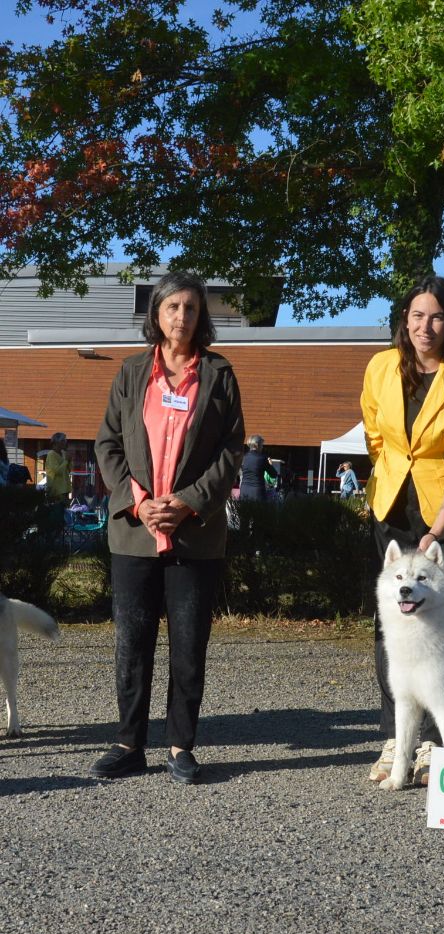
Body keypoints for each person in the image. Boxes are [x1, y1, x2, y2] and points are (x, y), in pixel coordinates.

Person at [90, 271, 245, 784]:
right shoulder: (132, 373)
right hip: (135, 531)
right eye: (172, 306)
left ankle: (180, 745)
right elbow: (107, 444)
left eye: (191, 309)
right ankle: (128, 743)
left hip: (194, 534)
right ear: (155, 313)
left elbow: (231, 450)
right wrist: (138, 501)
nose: (182, 317)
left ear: (202, 318)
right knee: (131, 643)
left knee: (188, 645)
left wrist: (187, 501)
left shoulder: (219, 375)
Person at [361, 273, 444, 787]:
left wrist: (436, 530)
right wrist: (384, 488)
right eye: (416, 315)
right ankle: (398, 739)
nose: (425, 325)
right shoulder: (379, 367)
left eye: (436, 316)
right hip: (391, 505)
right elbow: (375, 434)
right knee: (391, 621)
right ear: (404, 320)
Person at [239, 434, 277, 501]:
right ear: (257, 445)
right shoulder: (262, 458)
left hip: (244, 490)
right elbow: (274, 474)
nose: (262, 447)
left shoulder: (243, 458)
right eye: (262, 445)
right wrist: (270, 464)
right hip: (257, 492)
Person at [45, 432, 71, 503]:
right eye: (63, 441)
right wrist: (66, 461)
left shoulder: (63, 454)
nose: (65, 443)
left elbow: (68, 470)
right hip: (56, 491)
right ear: (56, 442)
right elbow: (57, 471)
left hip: (65, 489)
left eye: (65, 440)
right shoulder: (51, 455)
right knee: (57, 511)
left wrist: (69, 461)